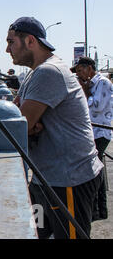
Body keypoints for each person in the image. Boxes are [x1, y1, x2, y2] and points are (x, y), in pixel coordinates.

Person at [6, 16, 103, 239]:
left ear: (30, 41)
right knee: (34, 233)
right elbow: (17, 117)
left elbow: (20, 126)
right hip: (45, 179)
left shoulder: (49, 72)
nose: (7, 49)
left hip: (68, 180)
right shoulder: (35, 73)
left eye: (11, 42)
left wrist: (28, 124)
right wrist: (28, 123)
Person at [71, 56, 112, 221]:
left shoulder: (102, 83)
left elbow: (97, 107)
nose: (79, 74)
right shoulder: (88, 83)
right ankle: (97, 210)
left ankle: (97, 209)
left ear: (89, 68)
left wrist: (86, 91)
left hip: (100, 133)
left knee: (95, 171)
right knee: (96, 169)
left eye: (80, 70)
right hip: (91, 133)